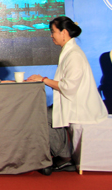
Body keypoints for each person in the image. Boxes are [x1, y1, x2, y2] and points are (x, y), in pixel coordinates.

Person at [27, 16, 107, 175]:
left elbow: (68, 87)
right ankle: (63, 154)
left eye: (53, 32)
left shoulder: (74, 55)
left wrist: (43, 80)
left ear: (63, 32)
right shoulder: (69, 52)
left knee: (43, 115)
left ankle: (64, 156)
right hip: (71, 103)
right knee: (45, 113)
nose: (51, 35)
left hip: (79, 106)